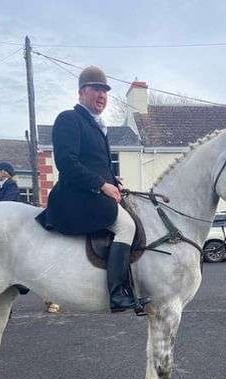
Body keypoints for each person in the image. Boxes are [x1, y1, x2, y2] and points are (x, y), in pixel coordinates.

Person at [36, 66, 148, 314]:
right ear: (81, 93)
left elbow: (96, 165)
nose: (102, 95)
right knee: (126, 226)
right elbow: (67, 162)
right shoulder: (69, 119)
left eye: (105, 91)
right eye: (96, 89)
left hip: (92, 193)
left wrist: (113, 181)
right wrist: (101, 184)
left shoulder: (97, 125)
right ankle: (118, 293)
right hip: (74, 197)